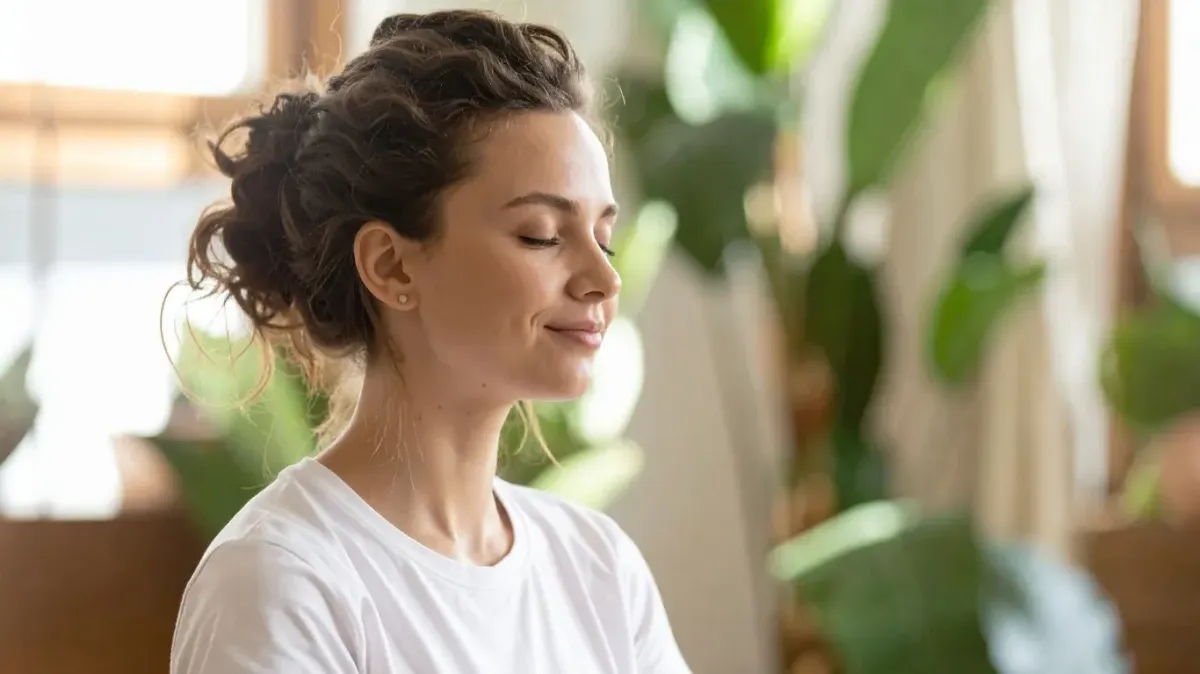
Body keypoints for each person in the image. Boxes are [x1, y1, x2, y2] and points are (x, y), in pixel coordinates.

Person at [169, 10, 690, 674]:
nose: (603, 277)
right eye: (540, 234)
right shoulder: (282, 582)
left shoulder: (600, 571)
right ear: (391, 265)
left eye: (604, 235)